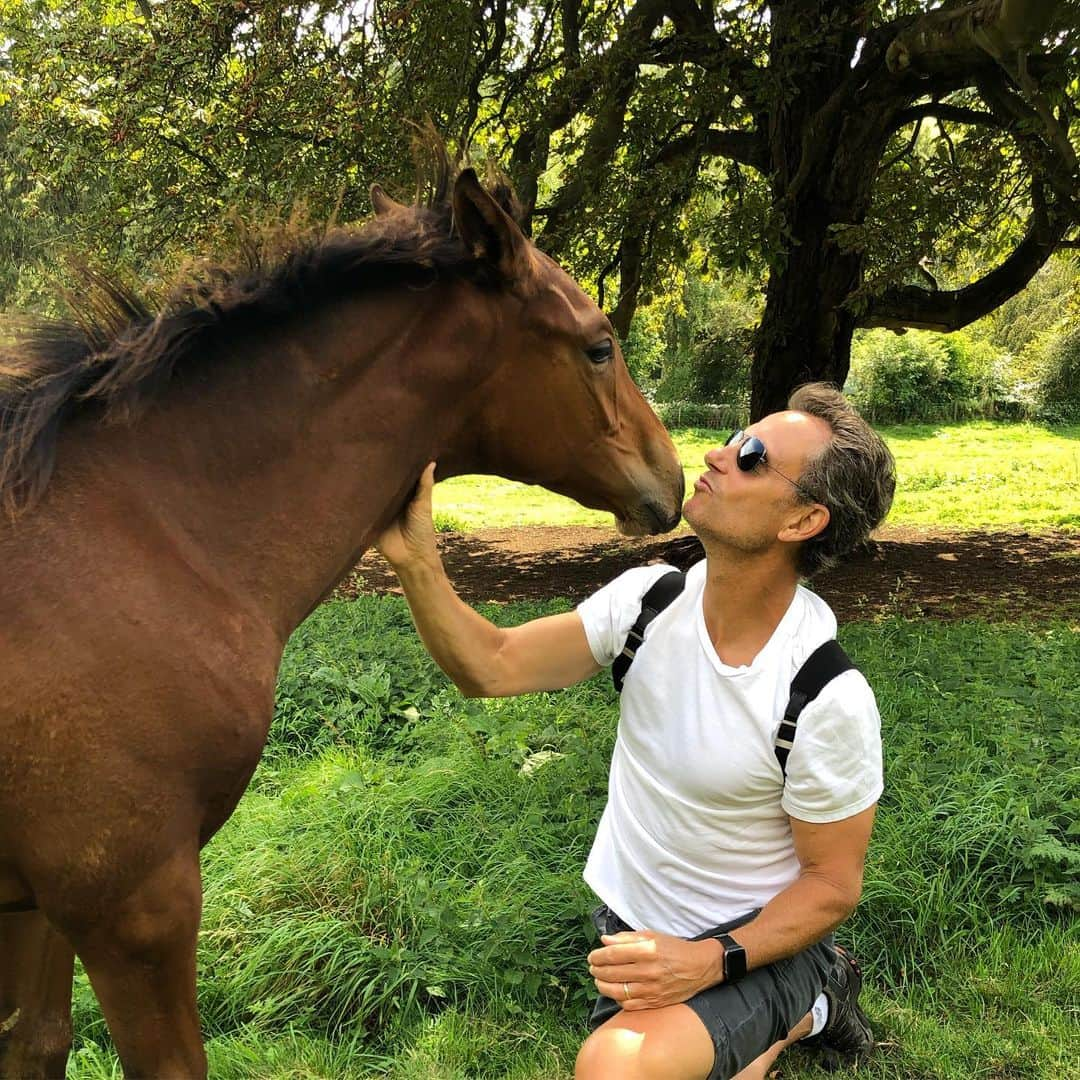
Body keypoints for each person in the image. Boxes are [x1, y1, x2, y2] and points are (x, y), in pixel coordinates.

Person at [375, 383, 896, 1080]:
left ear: (802, 520)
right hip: (634, 939)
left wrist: (710, 962)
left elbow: (833, 885)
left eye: (752, 456)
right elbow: (492, 667)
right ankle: (802, 1016)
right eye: (735, 436)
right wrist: (416, 561)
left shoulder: (825, 695)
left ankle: (815, 989)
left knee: (613, 1068)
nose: (716, 453)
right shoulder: (650, 601)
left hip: (752, 947)